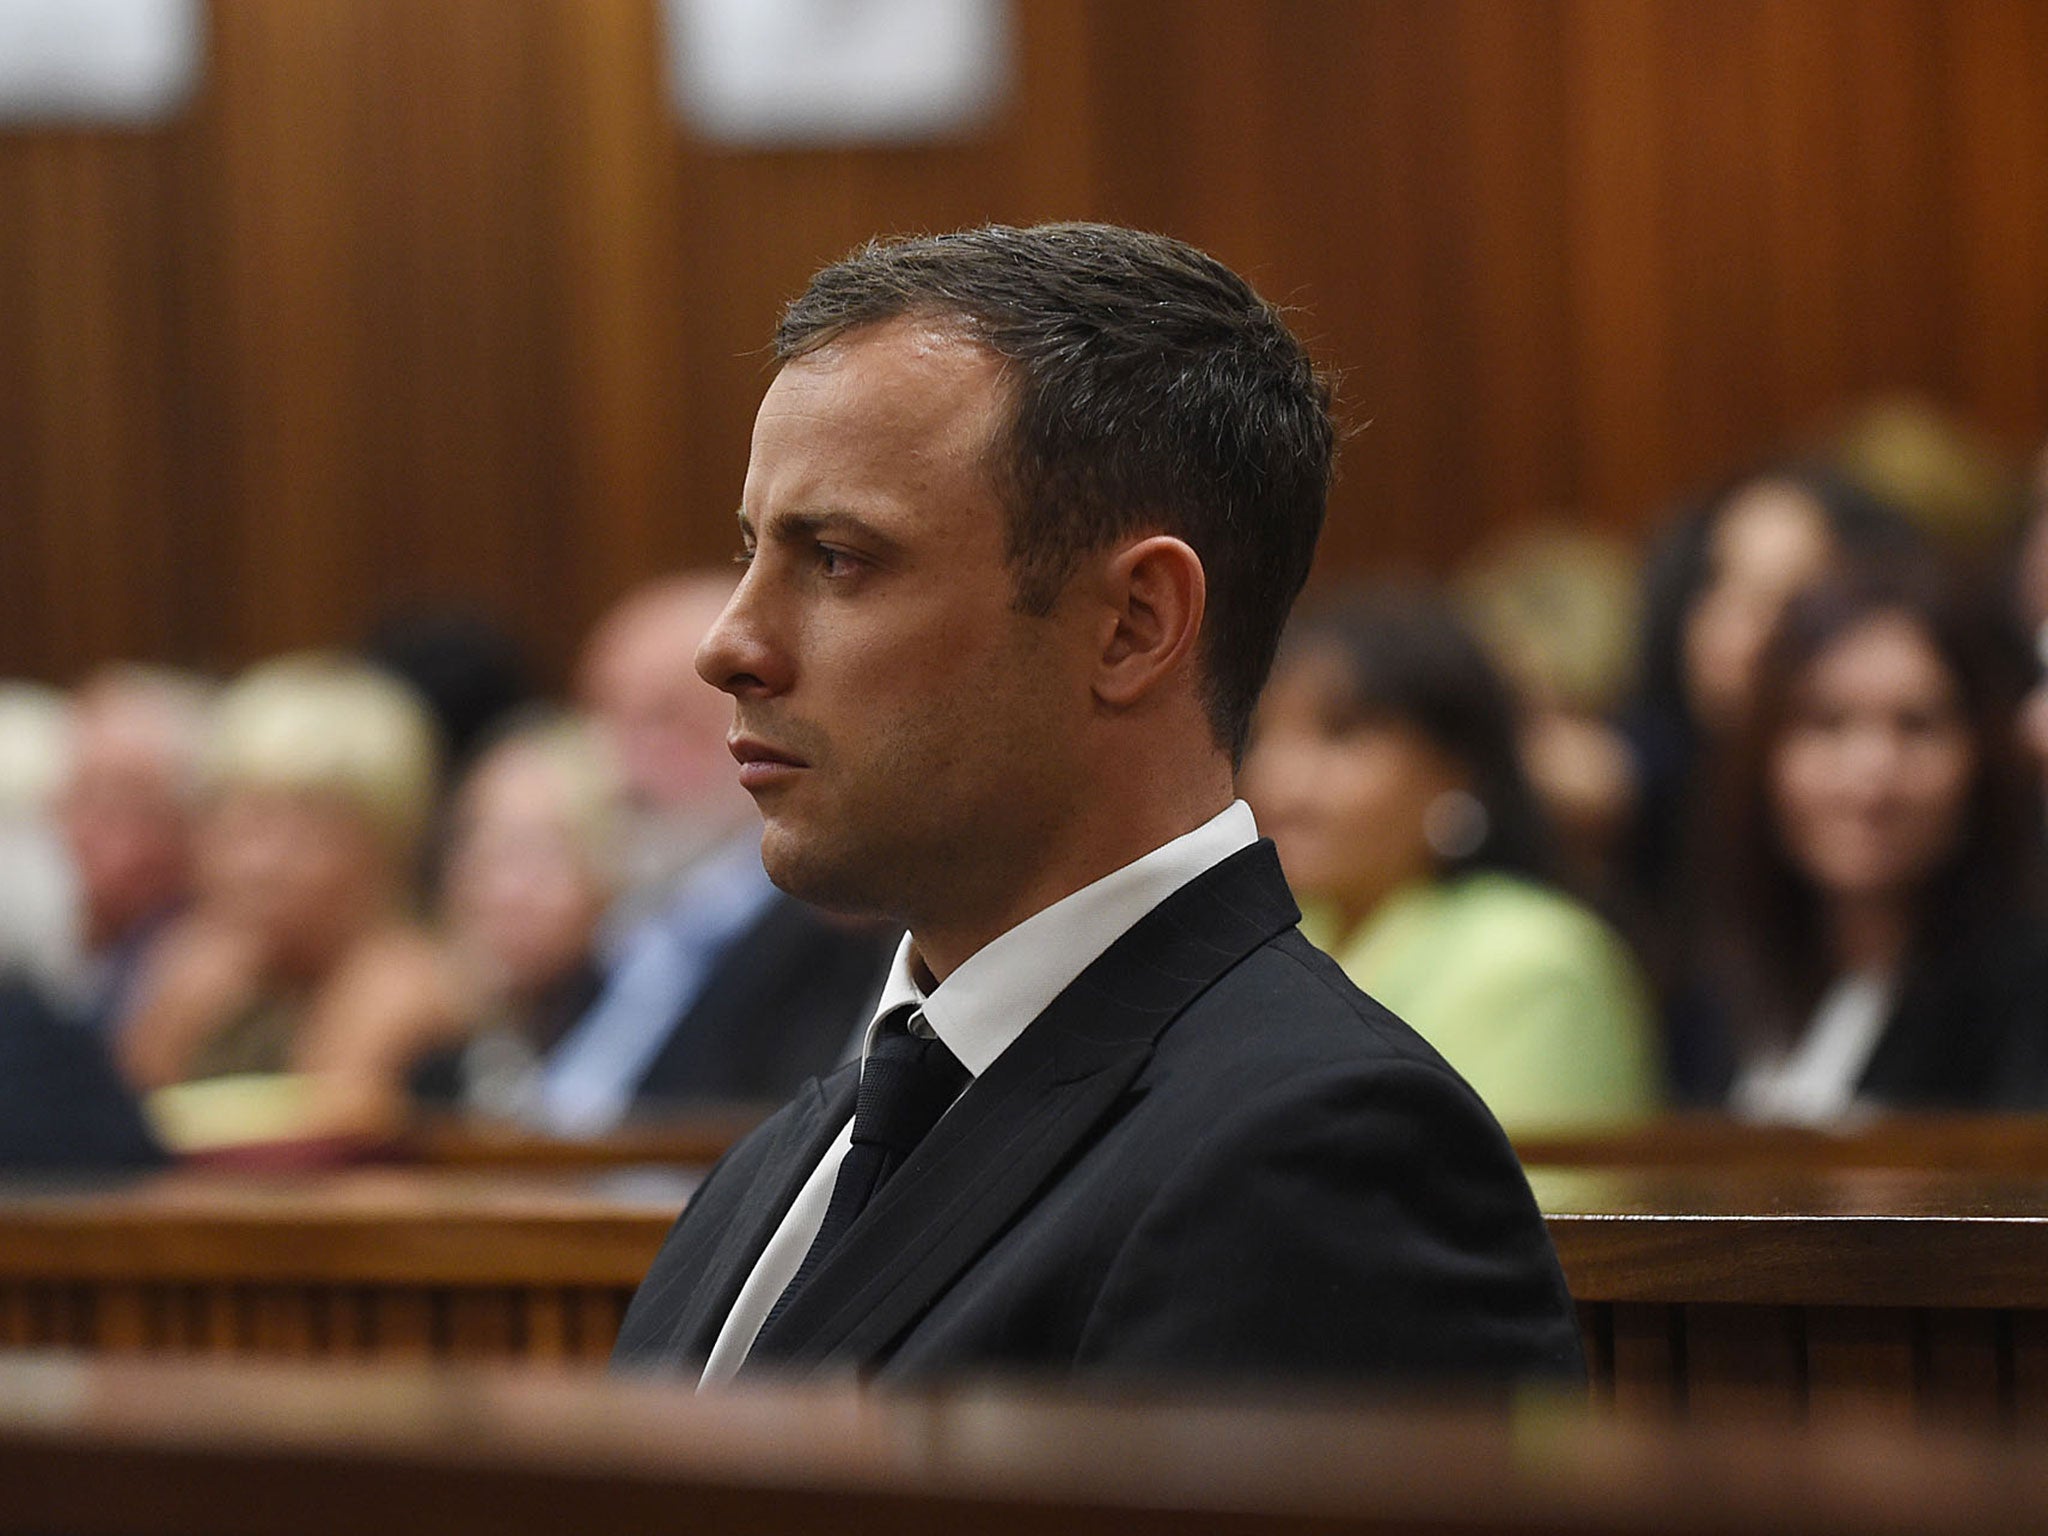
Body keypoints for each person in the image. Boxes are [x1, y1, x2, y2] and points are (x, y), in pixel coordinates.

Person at [613, 223, 1582, 1389]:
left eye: (838, 558)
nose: (730, 646)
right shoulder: (789, 1153)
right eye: (748, 552)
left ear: (1132, 625)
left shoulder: (1318, 1157)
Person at [1242, 587, 1661, 1134]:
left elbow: (1530, 1211)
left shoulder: (1537, 962)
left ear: (1455, 768)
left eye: (1339, 734)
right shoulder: (1271, 944)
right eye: (1259, 737)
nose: (1277, 782)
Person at [527, 575, 899, 1135]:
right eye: (603, 719)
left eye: (662, 720)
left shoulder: (836, 921)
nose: (619, 775)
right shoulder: (616, 921)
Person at [1679, 562, 2044, 1117]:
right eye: (1827, 724)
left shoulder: (2029, 998)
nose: (1873, 771)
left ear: (1981, 758)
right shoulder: (1717, 980)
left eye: (1916, 725)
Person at [117, 655, 463, 1147]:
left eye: (299, 833)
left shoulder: (407, 989)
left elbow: (313, 1166)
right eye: (237, 824)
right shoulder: (190, 966)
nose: (257, 864)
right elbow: (112, 1154)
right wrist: (170, 1024)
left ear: (385, 843)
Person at [54, 666, 216, 1035]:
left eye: (131, 804)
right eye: (83, 797)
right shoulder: (57, 935)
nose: (92, 830)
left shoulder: (199, 960)